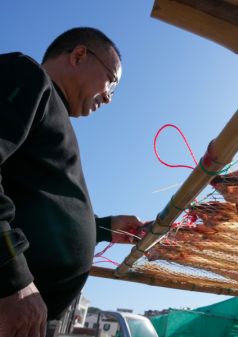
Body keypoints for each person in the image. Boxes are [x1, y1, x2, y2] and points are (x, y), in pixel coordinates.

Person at [0, 27, 145, 337]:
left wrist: (104, 228)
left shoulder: (51, 113)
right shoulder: (26, 76)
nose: (108, 96)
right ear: (79, 55)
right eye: (112, 82)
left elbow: (40, 211)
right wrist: (12, 277)